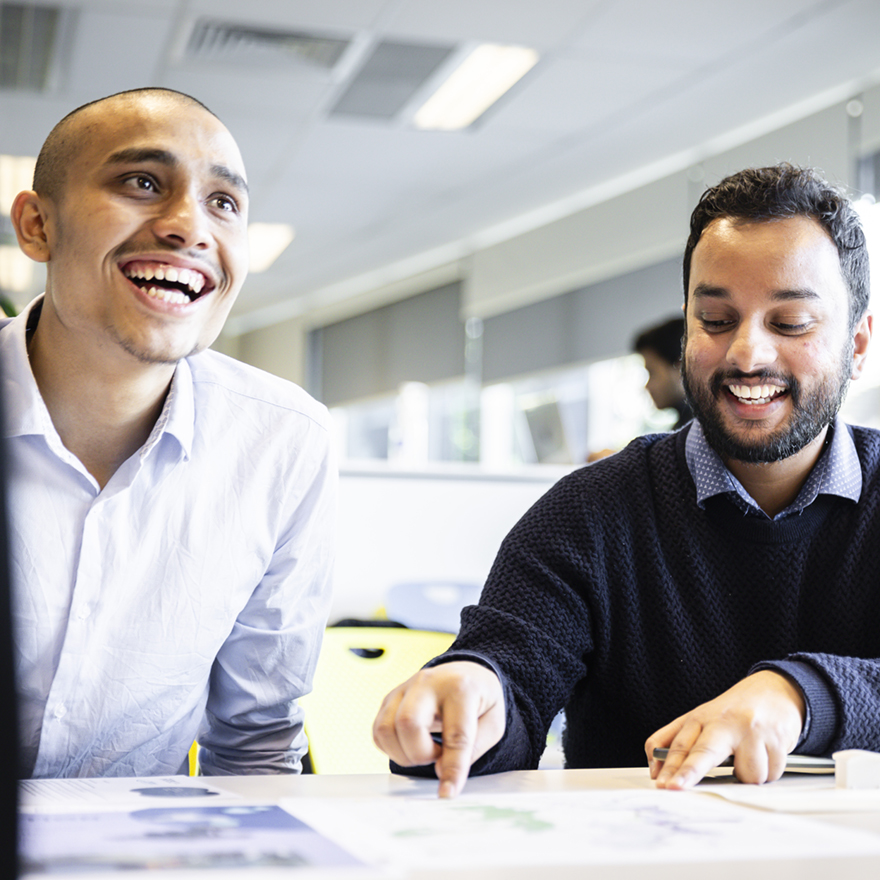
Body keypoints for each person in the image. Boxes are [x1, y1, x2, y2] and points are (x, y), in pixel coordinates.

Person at [373, 163, 880, 798]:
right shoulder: (589, 511)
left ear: (858, 345)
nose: (747, 354)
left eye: (790, 323)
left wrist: (801, 697)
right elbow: (512, 674)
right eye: (716, 320)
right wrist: (471, 698)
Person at [5, 88, 335, 777]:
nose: (189, 225)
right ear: (38, 226)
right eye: (142, 182)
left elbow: (256, 743)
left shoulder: (284, 441)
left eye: (224, 203)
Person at [633, 316, 692, 429]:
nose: (647, 386)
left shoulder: (702, 433)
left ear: (681, 368)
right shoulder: (685, 431)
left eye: (652, 373)